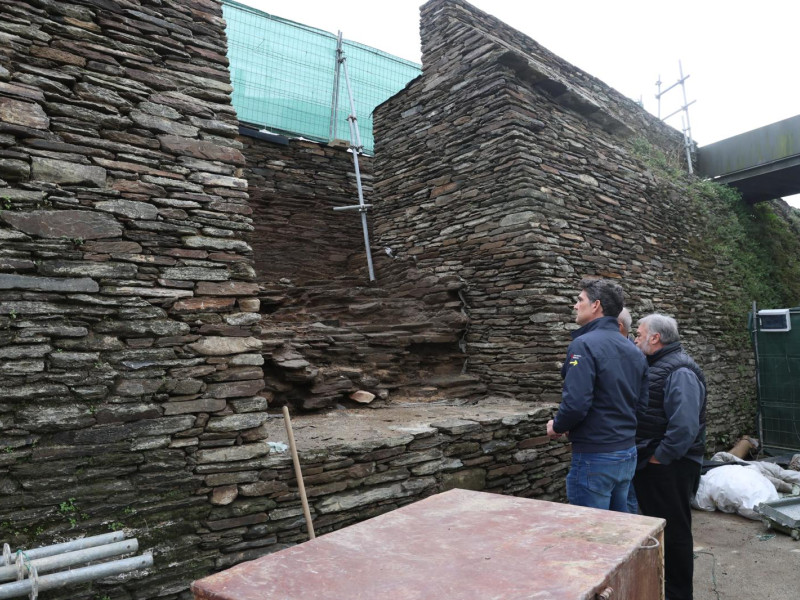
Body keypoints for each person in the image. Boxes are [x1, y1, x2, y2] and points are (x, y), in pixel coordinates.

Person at [546, 279, 649, 512]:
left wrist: (557, 426)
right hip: (626, 453)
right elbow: (641, 406)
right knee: (620, 530)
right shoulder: (635, 352)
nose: (575, 305)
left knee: (591, 534)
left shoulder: (583, 345)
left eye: (580, 300)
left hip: (595, 455)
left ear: (596, 306)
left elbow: (576, 403)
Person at [633, 313, 706, 600]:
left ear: (655, 338)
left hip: (672, 465)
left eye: (639, 334)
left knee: (674, 531)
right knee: (662, 527)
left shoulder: (680, 371)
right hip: (662, 463)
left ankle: (678, 595)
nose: (635, 338)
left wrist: (659, 457)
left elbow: (685, 426)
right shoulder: (660, 365)